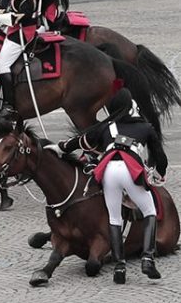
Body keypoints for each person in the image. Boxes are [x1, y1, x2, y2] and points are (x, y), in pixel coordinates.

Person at [50, 88, 167, 284]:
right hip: (130, 170)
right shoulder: (145, 127)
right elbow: (160, 157)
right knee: (149, 211)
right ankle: (147, 258)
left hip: (108, 171)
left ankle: (119, 266)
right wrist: (161, 174)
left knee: (114, 218)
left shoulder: (106, 126)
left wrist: (59, 148)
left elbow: (81, 141)